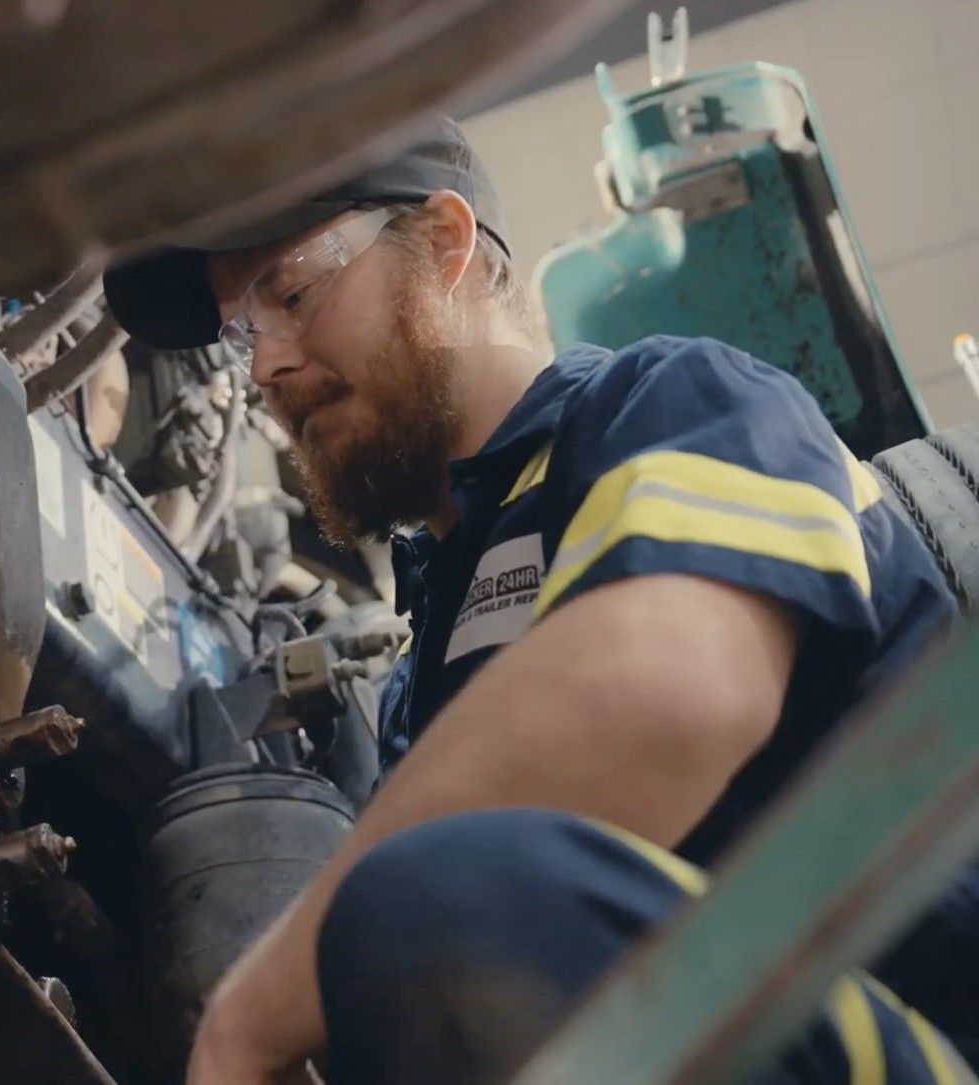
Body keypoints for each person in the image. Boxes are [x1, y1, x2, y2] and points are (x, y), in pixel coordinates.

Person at [103, 116, 977, 1084]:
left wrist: (249, 1022)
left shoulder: (679, 401)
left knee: (434, 895)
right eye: (242, 333)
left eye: (296, 293)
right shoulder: (425, 659)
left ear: (445, 242)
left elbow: (666, 697)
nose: (267, 364)